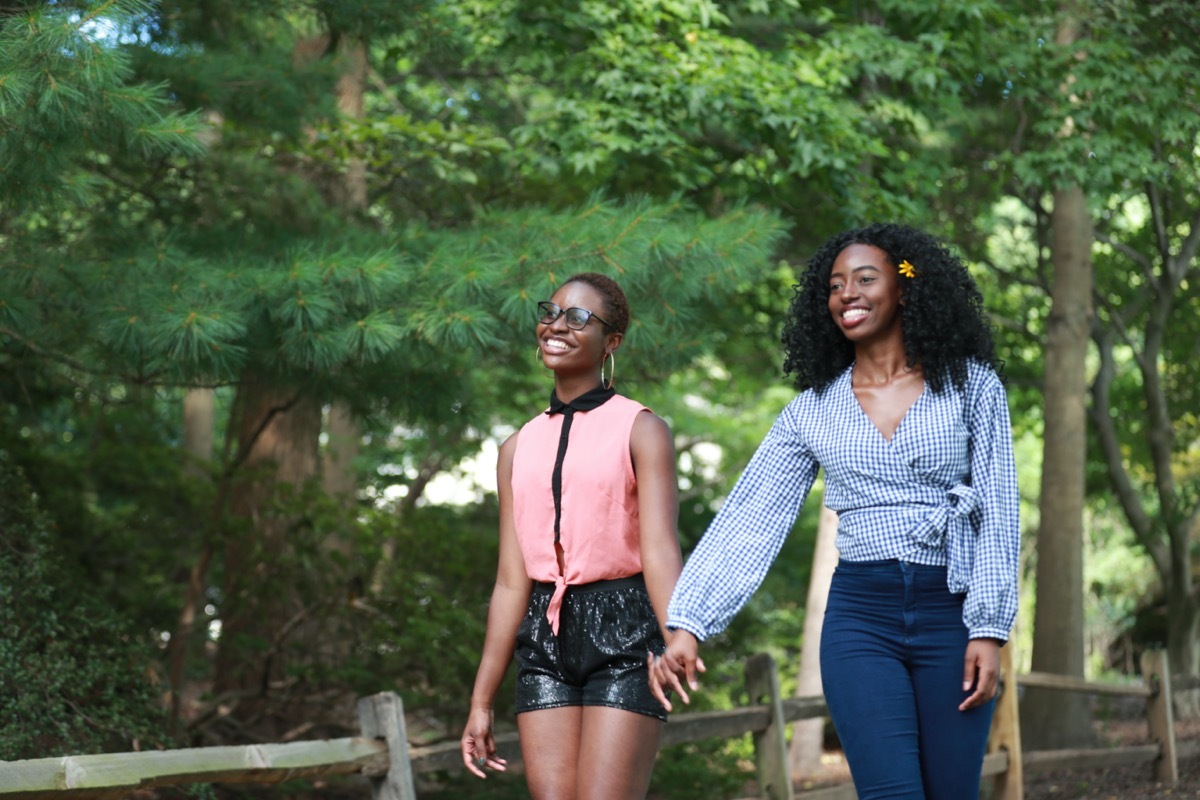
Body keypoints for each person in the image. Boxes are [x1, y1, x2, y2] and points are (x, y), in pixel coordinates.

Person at [649, 223, 1020, 800]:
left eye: (864, 279)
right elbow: (752, 517)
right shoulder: (811, 411)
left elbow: (998, 509)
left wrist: (990, 629)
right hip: (860, 620)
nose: (847, 293)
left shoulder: (973, 387)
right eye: (834, 284)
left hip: (952, 612)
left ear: (904, 286)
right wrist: (689, 623)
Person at [461, 272, 683, 800]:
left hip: (626, 631)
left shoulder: (642, 429)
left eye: (578, 317)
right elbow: (511, 583)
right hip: (543, 639)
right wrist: (480, 700)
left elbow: (659, 550)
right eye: (551, 312)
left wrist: (679, 639)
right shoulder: (516, 448)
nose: (557, 325)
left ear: (612, 343)